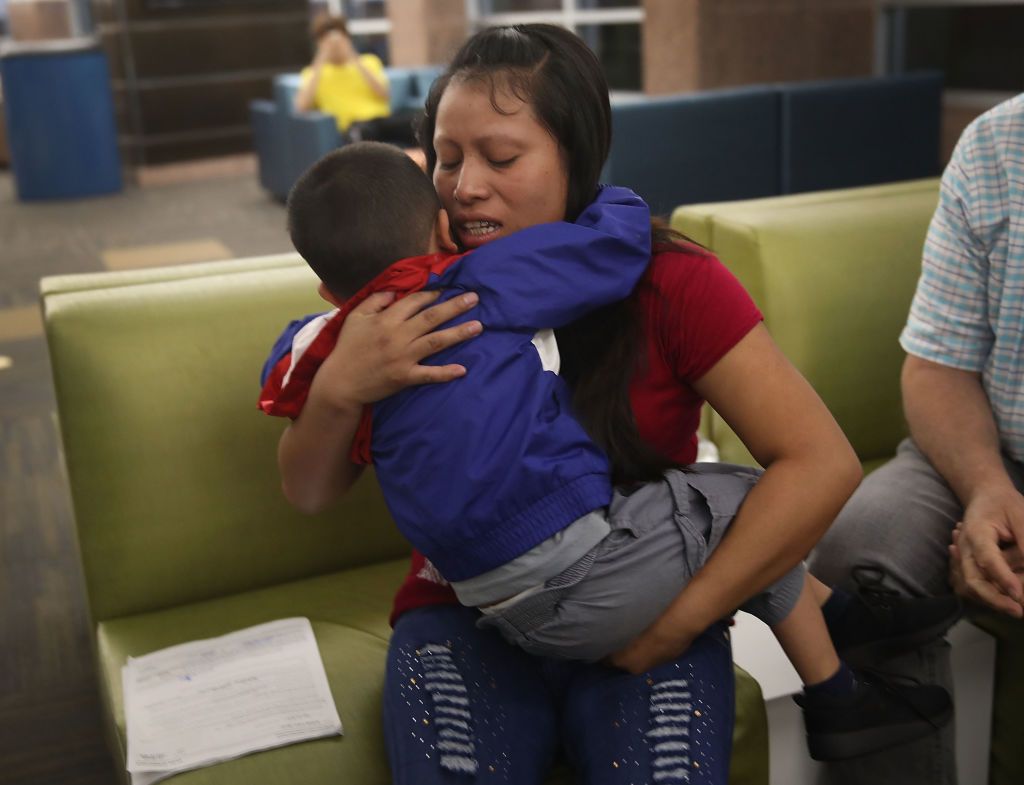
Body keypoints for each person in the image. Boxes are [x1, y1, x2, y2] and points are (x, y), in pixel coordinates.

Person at [271, 24, 948, 783]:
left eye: (501, 158)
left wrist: (678, 624)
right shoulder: (412, 297)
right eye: (449, 159)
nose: (465, 188)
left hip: (647, 598)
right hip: (463, 611)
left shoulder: (671, 282)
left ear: (578, 157)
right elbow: (309, 489)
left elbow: (818, 464)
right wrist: (339, 387)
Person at [809, 92, 1024, 785]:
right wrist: (985, 488)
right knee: (861, 557)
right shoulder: (996, 145)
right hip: (988, 443)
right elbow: (938, 366)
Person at [293, 13, 416, 146]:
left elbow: (384, 94)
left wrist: (353, 56)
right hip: (354, 126)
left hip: (381, 120)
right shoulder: (313, 73)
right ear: (319, 43)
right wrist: (321, 58)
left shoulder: (369, 61)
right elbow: (301, 107)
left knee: (418, 123)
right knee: (363, 133)